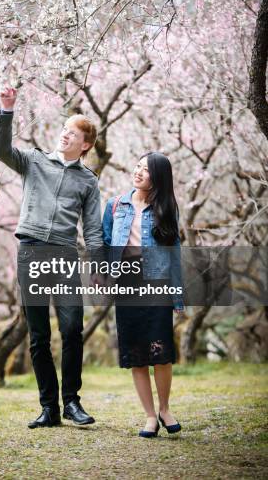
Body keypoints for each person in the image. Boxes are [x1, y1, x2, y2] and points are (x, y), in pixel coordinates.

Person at [0, 86, 102, 428]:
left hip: (65, 255)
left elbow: (94, 229)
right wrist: (6, 110)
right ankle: (49, 409)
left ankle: (71, 402)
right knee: (38, 335)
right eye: (64, 129)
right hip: (30, 252)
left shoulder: (88, 181)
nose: (64, 134)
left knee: (72, 329)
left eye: (72, 132)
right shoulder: (34, 160)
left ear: (85, 144)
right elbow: (2, 151)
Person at [102, 152, 184, 438]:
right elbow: (104, 243)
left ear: (157, 178)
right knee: (136, 354)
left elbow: (174, 254)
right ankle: (149, 416)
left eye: (146, 170)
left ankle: (165, 408)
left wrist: (177, 295)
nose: (138, 172)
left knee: (160, 353)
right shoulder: (115, 205)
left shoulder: (166, 210)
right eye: (137, 166)